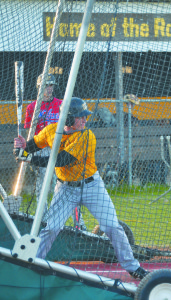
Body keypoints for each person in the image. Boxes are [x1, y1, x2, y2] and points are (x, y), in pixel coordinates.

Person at [14, 97, 149, 280]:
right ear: (68, 119)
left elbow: (62, 160)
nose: (84, 120)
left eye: (85, 116)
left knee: (111, 226)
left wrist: (28, 158)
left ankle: (133, 267)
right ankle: (35, 263)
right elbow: (33, 145)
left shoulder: (87, 136)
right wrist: (22, 149)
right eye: (80, 117)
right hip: (65, 190)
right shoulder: (51, 131)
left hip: (92, 186)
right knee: (51, 228)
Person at [24, 73, 62, 213]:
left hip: (58, 147)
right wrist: (30, 151)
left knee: (65, 184)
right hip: (41, 148)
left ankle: (78, 221)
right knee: (42, 184)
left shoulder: (60, 104)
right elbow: (30, 133)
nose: (49, 88)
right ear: (39, 87)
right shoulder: (32, 107)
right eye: (45, 86)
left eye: (51, 85)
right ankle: (43, 215)